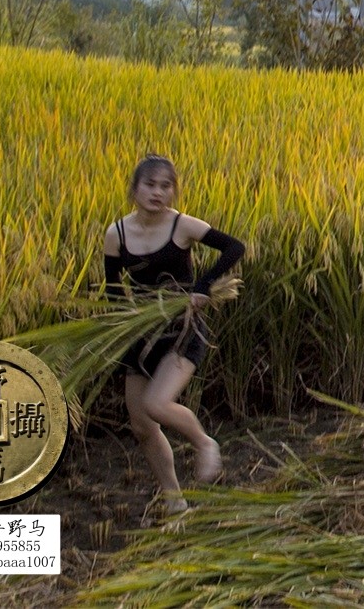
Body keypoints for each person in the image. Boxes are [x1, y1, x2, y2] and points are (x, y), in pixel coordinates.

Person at [102, 154, 246, 515]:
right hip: (141, 334)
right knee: (141, 425)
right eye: (150, 185)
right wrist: (123, 319)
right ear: (134, 189)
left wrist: (202, 286)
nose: (158, 192)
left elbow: (234, 247)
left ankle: (204, 442)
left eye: (166, 186)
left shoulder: (182, 226)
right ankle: (174, 500)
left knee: (156, 404)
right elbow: (113, 292)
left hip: (182, 329)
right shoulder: (117, 234)